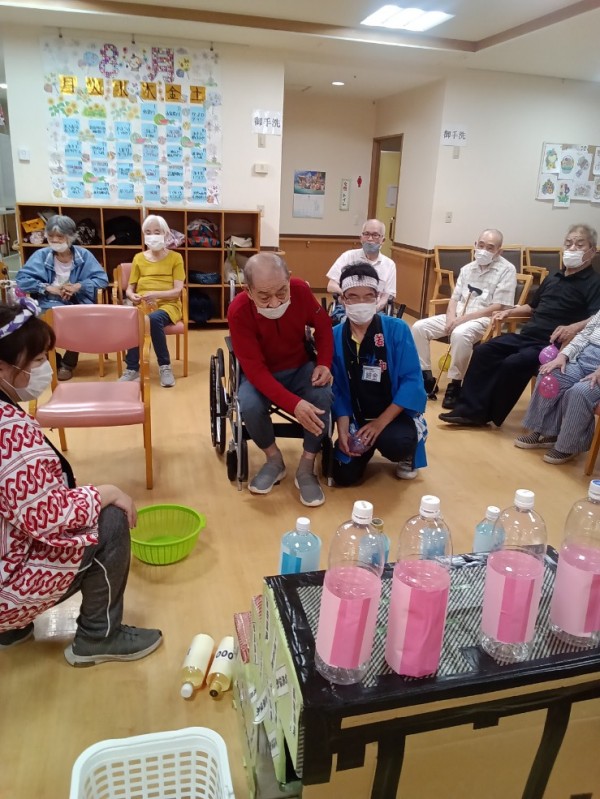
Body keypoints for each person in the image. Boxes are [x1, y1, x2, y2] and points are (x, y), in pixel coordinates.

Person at [0, 298, 162, 665]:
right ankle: (98, 636)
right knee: (111, 520)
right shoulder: (9, 431)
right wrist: (105, 492)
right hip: (8, 591)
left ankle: (10, 630)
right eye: (36, 362)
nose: (44, 369)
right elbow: (46, 516)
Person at [439, 224, 600, 428]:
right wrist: (510, 311)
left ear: (592, 251)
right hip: (528, 335)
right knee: (484, 351)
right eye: (568, 244)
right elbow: (532, 306)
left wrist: (574, 327)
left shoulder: (595, 282)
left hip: (554, 344)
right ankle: (467, 410)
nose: (572, 248)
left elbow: (596, 318)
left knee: (514, 362)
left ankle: (486, 415)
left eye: (579, 244)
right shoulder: (553, 276)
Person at [227, 252, 333, 507]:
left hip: (299, 367)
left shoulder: (300, 291)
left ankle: (306, 465)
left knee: (322, 394)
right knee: (249, 404)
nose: (275, 303)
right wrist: (294, 404)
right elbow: (255, 371)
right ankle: (274, 459)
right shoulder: (239, 311)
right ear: (248, 290)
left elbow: (323, 326)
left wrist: (323, 363)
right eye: (264, 296)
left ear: (289, 279)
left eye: (281, 292)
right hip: (261, 374)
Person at [330, 262, 427, 486]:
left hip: (394, 415)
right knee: (342, 475)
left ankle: (408, 452)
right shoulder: (335, 335)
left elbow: (412, 381)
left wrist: (379, 424)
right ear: (343, 299)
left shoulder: (397, 329)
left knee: (397, 444)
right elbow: (338, 388)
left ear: (377, 297)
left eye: (368, 296)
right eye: (353, 297)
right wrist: (342, 429)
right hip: (357, 417)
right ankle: (366, 444)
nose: (361, 303)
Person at [411, 229, 516, 409]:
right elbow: (454, 299)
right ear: (475, 244)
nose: (483, 250)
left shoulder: (507, 270)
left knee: (459, 334)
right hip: (459, 315)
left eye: (490, 248)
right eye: (481, 245)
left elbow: (498, 306)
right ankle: (426, 376)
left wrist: (463, 320)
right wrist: (451, 317)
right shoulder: (467, 268)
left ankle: (455, 384)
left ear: (499, 251)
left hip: (485, 319)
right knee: (419, 327)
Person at [15, 214, 108, 381]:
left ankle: (68, 364)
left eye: (60, 236)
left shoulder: (84, 255)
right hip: (48, 302)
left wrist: (78, 286)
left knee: (81, 322)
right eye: (51, 236)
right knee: (33, 325)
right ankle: (54, 359)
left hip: (78, 303)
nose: (55, 240)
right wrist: (47, 288)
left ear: (70, 236)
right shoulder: (41, 255)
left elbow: (102, 279)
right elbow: (22, 280)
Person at [514, 309, 600, 464]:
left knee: (579, 392)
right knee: (549, 374)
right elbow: (584, 335)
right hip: (583, 359)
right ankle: (544, 431)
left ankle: (569, 446)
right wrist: (562, 356)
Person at [119, 214, 184, 388]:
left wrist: (155, 294)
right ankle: (132, 368)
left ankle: (165, 366)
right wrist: (131, 295)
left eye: (157, 231)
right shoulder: (138, 258)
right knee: (135, 320)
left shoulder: (176, 258)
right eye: (148, 232)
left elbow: (178, 290)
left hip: (168, 305)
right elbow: (130, 288)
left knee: (153, 319)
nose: (152, 235)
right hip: (143, 304)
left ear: (165, 234)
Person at [326, 219, 396, 312]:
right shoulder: (348, 256)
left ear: (383, 240)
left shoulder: (389, 264)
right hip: (347, 307)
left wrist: (374, 310)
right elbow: (331, 286)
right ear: (361, 238)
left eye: (375, 235)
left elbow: (387, 295)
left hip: (374, 309)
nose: (370, 239)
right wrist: (346, 295)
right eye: (366, 234)